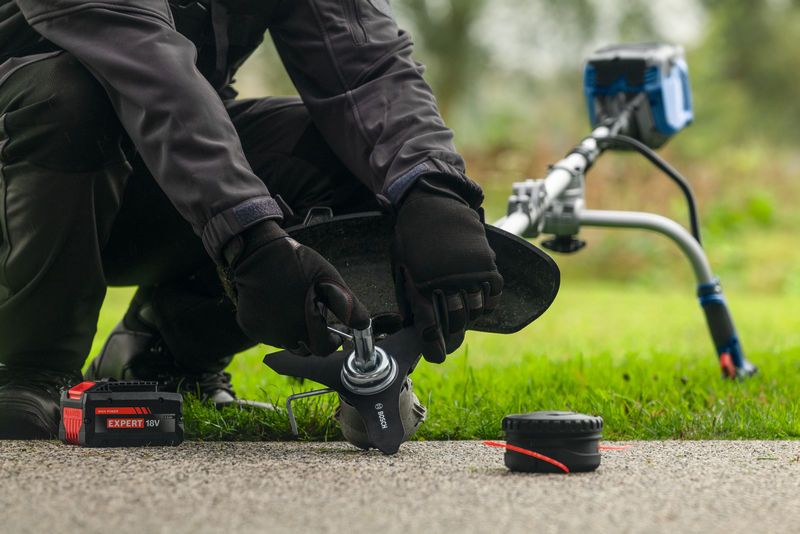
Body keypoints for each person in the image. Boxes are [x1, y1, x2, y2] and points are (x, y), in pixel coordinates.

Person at [0, 0, 503, 438]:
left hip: (146, 173)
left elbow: (367, 64)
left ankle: (165, 353)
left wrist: (433, 191)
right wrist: (251, 238)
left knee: (351, 160)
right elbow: (146, 64)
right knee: (64, 94)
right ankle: (27, 367)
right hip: (27, 164)